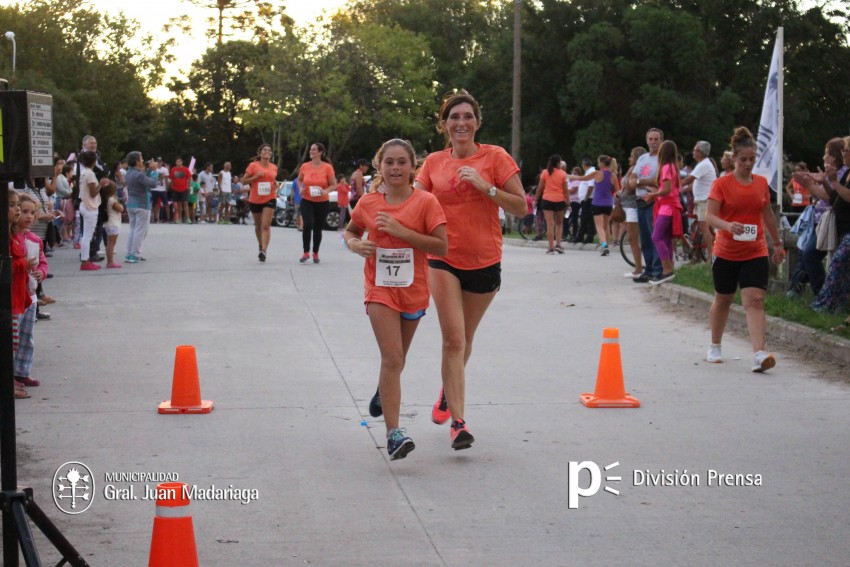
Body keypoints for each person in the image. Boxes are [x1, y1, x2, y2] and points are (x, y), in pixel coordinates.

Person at [414, 89, 527, 450]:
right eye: (454, 117)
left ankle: (448, 392)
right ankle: (459, 424)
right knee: (454, 338)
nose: (461, 123)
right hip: (443, 257)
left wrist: (488, 188)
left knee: (466, 338)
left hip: (485, 261)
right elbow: (414, 200)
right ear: (444, 124)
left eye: (467, 117)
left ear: (477, 122)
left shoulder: (495, 157)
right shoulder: (433, 162)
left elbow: (522, 207)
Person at [345, 139, 448, 460]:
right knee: (391, 359)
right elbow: (350, 231)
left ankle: (382, 391)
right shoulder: (369, 203)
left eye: (402, 162)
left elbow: (441, 247)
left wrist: (402, 232)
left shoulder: (426, 202)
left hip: (414, 291)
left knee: (397, 361)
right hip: (379, 289)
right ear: (380, 167)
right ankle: (394, 434)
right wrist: (354, 245)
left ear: (412, 167)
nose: (395, 168)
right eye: (389, 162)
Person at [705, 126, 785, 372]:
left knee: (756, 299)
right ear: (734, 159)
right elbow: (709, 216)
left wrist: (778, 243)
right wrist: (728, 226)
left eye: (752, 159)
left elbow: (767, 214)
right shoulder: (722, 184)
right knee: (724, 299)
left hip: (755, 250)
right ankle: (715, 345)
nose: (748, 164)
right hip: (727, 251)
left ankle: (759, 354)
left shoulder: (761, 184)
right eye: (743, 160)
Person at [794, 138, 850, 313]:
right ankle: (824, 301)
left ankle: (822, 302)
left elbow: (841, 197)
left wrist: (814, 184)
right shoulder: (845, 173)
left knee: (825, 261)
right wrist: (826, 181)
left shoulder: (842, 172)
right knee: (810, 256)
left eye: (846, 150)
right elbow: (835, 197)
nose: (844, 153)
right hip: (838, 226)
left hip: (839, 226)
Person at [14, 194, 48, 392]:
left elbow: (42, 261)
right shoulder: (12, 238)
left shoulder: (35, 240)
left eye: (31, 213)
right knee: (15, 336)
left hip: (31, 294)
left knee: (28, 337)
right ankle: (12, 374)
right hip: (18, 295)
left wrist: (41, 272)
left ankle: (22, 372)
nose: (27, 216)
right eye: (24, 211)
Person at [644, 140, 683, 284]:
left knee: (657, 236)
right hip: (671, 206)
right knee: (666, 238)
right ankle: (669, 268)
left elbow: (666, 190)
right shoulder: (674, 167)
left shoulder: (666, 167)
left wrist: (653, 195)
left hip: (666, 207)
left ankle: (666, 269)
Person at [8, 189, 34, 399]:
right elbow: (7, 265)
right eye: (12, 205)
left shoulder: (14, 236)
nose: (17, 210)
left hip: (18, 296)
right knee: (10, 344)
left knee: (16, 342)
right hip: (10, 299)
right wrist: (25, 263)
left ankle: (13, 378)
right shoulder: (8, 238)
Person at [629, 128, 664, 282]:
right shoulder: (643, 158)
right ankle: (648, 269)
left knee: (655, 236)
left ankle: (657, 270)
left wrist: (640, 183)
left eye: (656, 139)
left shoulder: (663, 159)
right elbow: (631, 181)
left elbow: (659, 182)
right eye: (650, 139)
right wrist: (645, 184)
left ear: (661, 140)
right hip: (640, 201)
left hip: (654, 202)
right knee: (645, 239)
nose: (653, 142)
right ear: (646, 140)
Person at [569, 155, 620, 256]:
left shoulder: (597, 173)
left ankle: (604, 245)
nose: (597, 164)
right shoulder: (613, 175)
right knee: (606, 226)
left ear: (602, 163)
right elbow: (617, 191)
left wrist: (570, 176)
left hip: (597, 203)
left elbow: (583, 178)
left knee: (599, 226)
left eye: (598, 162)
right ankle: (607, 245)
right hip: (608, 204)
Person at [297, 142, 335, 263]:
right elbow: (299, 180)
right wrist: (300, 189)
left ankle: (315, 253)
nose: (311, 152)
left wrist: (325, 191)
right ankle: (305, 252)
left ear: (320, 152)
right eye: (310, 149)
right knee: (307, 224)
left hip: (322, 202)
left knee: (318, 228)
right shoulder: (305, 166)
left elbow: (334, 184)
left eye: (314, 150)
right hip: (307, 200)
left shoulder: (327, 167)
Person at [681, 140, 718, 259]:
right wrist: (681, 190)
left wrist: (674, 185)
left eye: (695, 150)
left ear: (700, 152)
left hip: (704, 200)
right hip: (701, 200)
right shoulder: (703, 164)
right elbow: (694, 183)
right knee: (706, 227)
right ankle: (704, 252)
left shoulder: (703, 165)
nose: (693, 152)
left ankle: (711, 255)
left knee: (704, 227)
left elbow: (689, 180)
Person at [242, 143, 278, 262]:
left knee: (265, 225)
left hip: (270, 197)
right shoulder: (253, 165)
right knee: (258, 225)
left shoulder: (273, 167)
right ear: (260, 153)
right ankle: (260, 245)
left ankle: (264, 250)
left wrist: (275, 184)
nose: (267, 151)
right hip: (255, 199)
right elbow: (244, 181)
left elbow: (273, 179)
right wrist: (256, 176)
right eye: (264, 150)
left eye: (269, 150)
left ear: (271, 154)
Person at [124, 151, 157, 263]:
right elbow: (152, 184)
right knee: (141, 231)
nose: (143, 160)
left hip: (131, 204)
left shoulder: (129, 173)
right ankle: (135, 254)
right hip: (142, 205)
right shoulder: (138, 174)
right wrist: (154, 171)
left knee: (133, 230)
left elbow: (144, 180)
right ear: (137, 161)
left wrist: (148, 170)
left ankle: (129, 253)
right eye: (141, 158)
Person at [533, 155, 569, 254]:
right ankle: (558, 244)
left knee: (550, 224)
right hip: (560, 200)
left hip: (547, 200)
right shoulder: (563, 174)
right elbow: (565, 190)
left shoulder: (545, 172)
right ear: (558, 163)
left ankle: (551, 247)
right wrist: (568, 203)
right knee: (559, 223)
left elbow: (540, 188)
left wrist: (535, 200)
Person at [77, 150, 103, 271]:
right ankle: (85, 261)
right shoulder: (91, 174)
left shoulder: (83, 172)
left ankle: (85, 259)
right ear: (94, 161)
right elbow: (93, 193)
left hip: (84, 204)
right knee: (88, 235)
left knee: (86, 235)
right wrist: (101, 184)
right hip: (90, 206)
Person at [102, 181, 124, 268]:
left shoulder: (105, 199)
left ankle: (109, 261)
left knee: (109, 243)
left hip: (108, 222)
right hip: (113, 222)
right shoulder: (112, 200)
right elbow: (120, 209)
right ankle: (110, 262)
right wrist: (121, 205)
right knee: (111, 243)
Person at [169, 157, 193, 223]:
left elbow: (189, 178)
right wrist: (172, 186)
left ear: (182, 162)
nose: (178, 163)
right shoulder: (173, 169)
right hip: (175, 189)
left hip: (184, 189)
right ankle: (179, 218)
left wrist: (188, 186)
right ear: (176, 162)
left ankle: (188, 218)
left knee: (185, 203)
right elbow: (171, 179)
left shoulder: (185, 169)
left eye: (179, 161)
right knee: (179, 204)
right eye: (177, 161)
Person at [566, 166, 582, 242]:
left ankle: (575, 234)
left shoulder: (578, 181)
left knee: (574, 219)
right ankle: (568, 234)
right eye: (573, 172)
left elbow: (573, 191)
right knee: (567, 218)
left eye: (575, 173)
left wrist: (565, 190)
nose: (573, 174)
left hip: (575, 202)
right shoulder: (570, 181)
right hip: (569, 202)